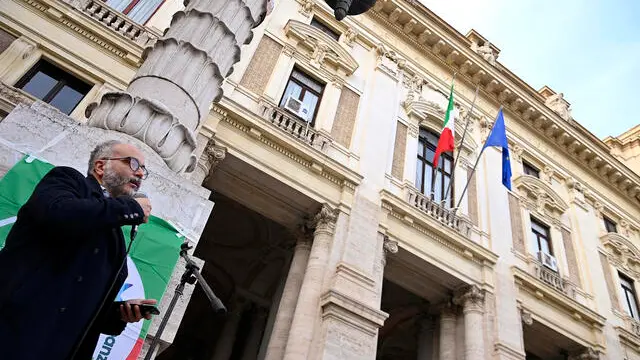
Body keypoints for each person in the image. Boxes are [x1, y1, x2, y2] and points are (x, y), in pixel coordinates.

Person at [0, 140, 158, 359]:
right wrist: (130, 208)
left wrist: (118, 313)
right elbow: (58, 213)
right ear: (101, 167)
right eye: (133, 164)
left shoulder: (114, 236)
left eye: (143, 169)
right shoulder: (67, 181)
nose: (140, 174)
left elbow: (79, 300)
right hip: (13, 335)